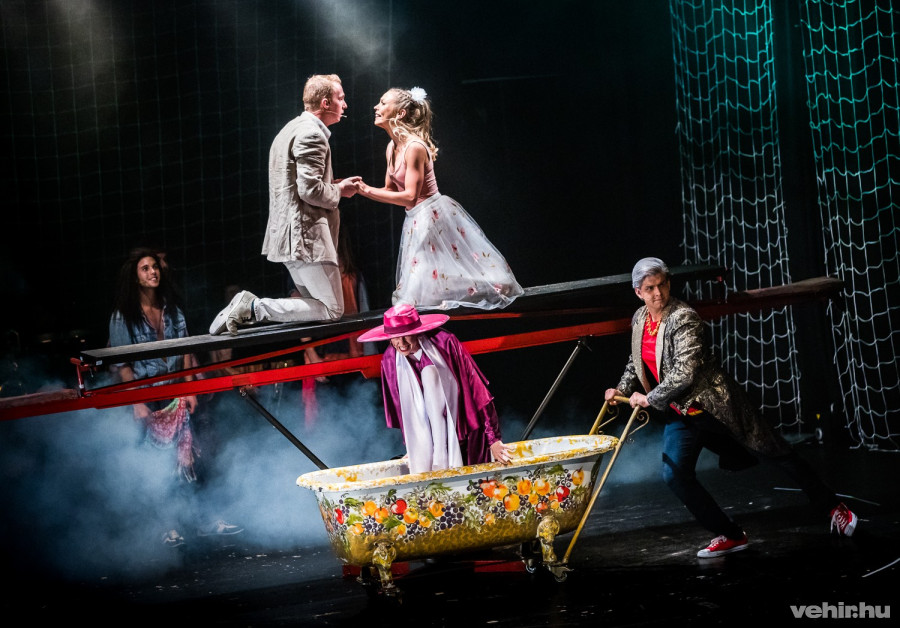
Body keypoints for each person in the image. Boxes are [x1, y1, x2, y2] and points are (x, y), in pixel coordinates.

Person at [604, 257, 857, 559]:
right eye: (650, 288)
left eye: (662, 285)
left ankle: (835, 508)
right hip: (682, 413)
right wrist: (621, 389)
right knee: (675, 475)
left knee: (776, 452)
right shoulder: (639, 319)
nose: (658, 293)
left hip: (716, 405)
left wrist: (650, 398)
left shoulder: (683, 317)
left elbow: (685, 373)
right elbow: (635, 361)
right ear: (638, 292)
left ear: (669, 283)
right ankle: (731, 535)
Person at [109, 248, 242, 546]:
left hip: (175, 392)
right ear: (135, 277)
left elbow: (184, 352)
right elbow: (121, 364)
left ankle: (205, 520)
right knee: (156, 465)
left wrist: (189, 388)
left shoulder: (172, 310)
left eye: (154, 266)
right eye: (145, 268)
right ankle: (164, 525)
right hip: (147, 396)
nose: (153, 272)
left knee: (194, 458)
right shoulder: (123, 316)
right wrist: (136, 402)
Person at [210, 73, 359, 335]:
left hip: (291, 237)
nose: (344, 104)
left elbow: (298, 185)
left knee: (315, 307)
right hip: (306, 239)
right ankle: (254, 307)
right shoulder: (312, 134)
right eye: (341, 98)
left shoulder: (290, 129)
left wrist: (330, 184)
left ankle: (252, 307)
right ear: (325, 103)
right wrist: (339, 190)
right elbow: (309, 190)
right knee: (333, 309)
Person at [353, 87, 523, 310]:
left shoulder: (414, 147)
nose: (376, 107)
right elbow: (389, 190)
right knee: (426, 285)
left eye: (383, 103)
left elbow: (410, 196)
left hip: (430, 216)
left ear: (400, 113)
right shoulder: (391, 147)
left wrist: (364, 190)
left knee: (422, 286)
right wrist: (357, 187)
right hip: (414, 219)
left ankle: (493, 290)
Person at [358, 304, 514, 473]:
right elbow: (405, 412)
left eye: (406, 335)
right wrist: (414, 447)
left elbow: (477, 390)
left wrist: (493, 439)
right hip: (429, 446)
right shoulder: (390, 360)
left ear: (417, 332)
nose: (401, 343)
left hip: (464, 435)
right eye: (395, 337)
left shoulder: (444, 343)